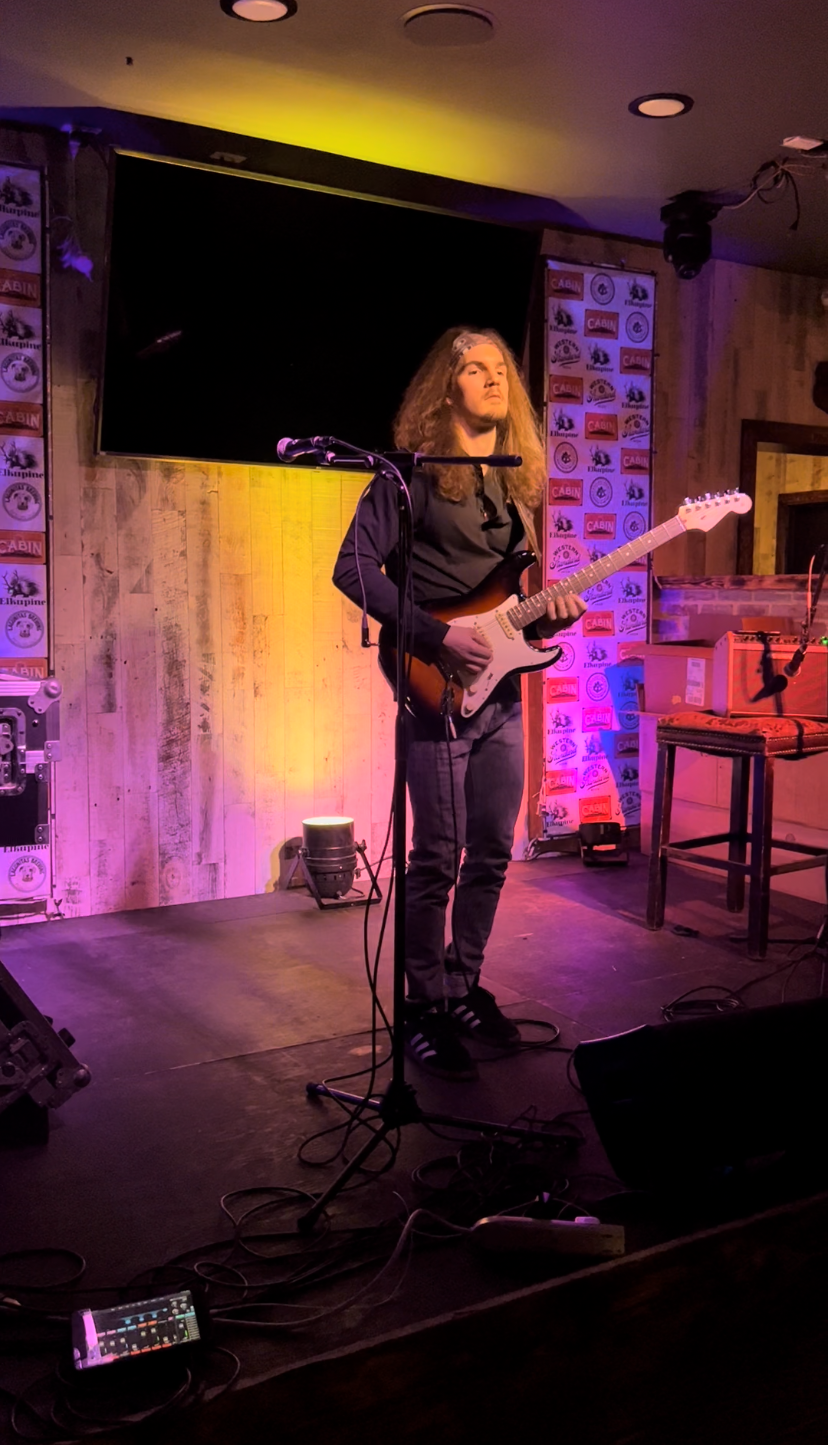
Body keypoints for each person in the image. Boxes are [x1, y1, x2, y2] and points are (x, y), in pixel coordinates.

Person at [333, 327, 586, 1081]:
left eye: (500, 368)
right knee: (437, 856)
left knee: (494, 849)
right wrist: (437, 635)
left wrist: (549, 617)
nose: (493, 379)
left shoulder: (515, 487)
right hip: (434, 682)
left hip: (501, 690)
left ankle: (462, 981)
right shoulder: (407, 477)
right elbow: (353, 568)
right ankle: (423, 1006)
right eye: (475, 369)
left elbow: (513, 608)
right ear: (446, 391)